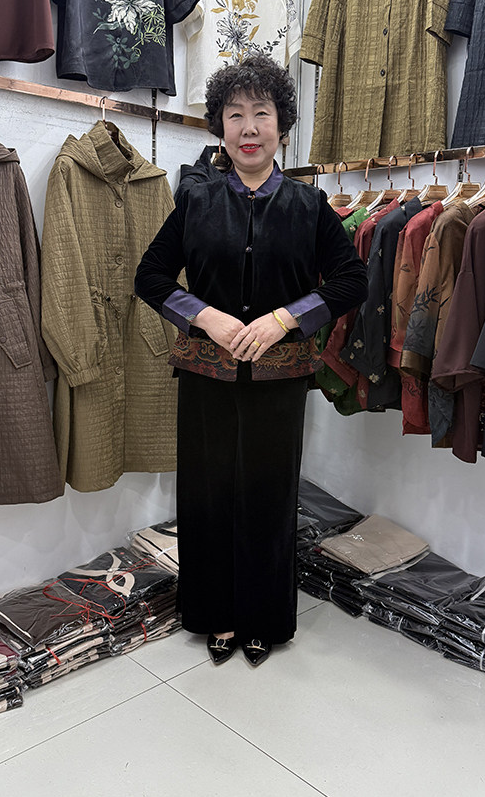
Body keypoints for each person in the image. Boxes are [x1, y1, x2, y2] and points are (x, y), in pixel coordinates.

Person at [135, 54, 367, 666]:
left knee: (269, 494)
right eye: (235, 114)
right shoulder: (195, 200)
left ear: (281, 126)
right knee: (207, 493)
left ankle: (263, 616)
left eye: (261, 113)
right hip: (205, 375)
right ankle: (213, 613)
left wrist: (284, 318)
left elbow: (352, 280)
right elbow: (150, 276)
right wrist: (205, 317)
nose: (248, 128)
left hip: (279, 378)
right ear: (219, 125)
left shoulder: (309, 206)